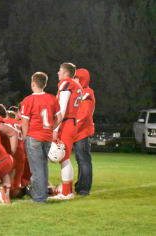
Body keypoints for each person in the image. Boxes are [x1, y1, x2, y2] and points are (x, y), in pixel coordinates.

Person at [21, 72, 62, 203]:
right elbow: (60, 117)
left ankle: (39, 197)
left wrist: (25, 136)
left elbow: (25, 121)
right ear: (44, 84)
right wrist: (51, 127)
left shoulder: (28, 100)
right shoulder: (52, 98)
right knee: (43, 166)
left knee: (37, 168)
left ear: (33, 84)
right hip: (47, 136)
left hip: (34, 136)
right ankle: (43, 193)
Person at [50, 62, 83, 200]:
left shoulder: (66, 84)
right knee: (65, 157)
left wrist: (55, 128)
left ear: (65, 73)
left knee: (62, 157)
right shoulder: (77, 86)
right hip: (72, 121)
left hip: (66, 122)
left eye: (59, 70)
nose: (58, 73)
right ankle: (67, 191)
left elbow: (62, 108)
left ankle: (66, 193)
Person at [73, 68, 95, 196]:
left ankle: (84, 188)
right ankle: (80, 185)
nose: (74, 80)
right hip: (79, 131)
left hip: (83, 131)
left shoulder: (87, 92)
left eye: (76, 78)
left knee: (83, 160)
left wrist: (73, 128)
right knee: (80, 160)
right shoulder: (80, 92)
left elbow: (83, 115)